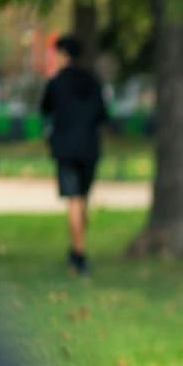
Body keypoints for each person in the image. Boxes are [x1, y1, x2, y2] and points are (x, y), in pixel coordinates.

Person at [40, 35, 108, 275]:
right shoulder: (92, 81)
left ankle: (79, 255)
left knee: (74, 200)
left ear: (63, 54)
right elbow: (102, 115)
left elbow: (45, 109)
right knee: (82, 200)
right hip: (90, 149)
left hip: (66, 150)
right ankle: (77, 248)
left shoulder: (57, 82)